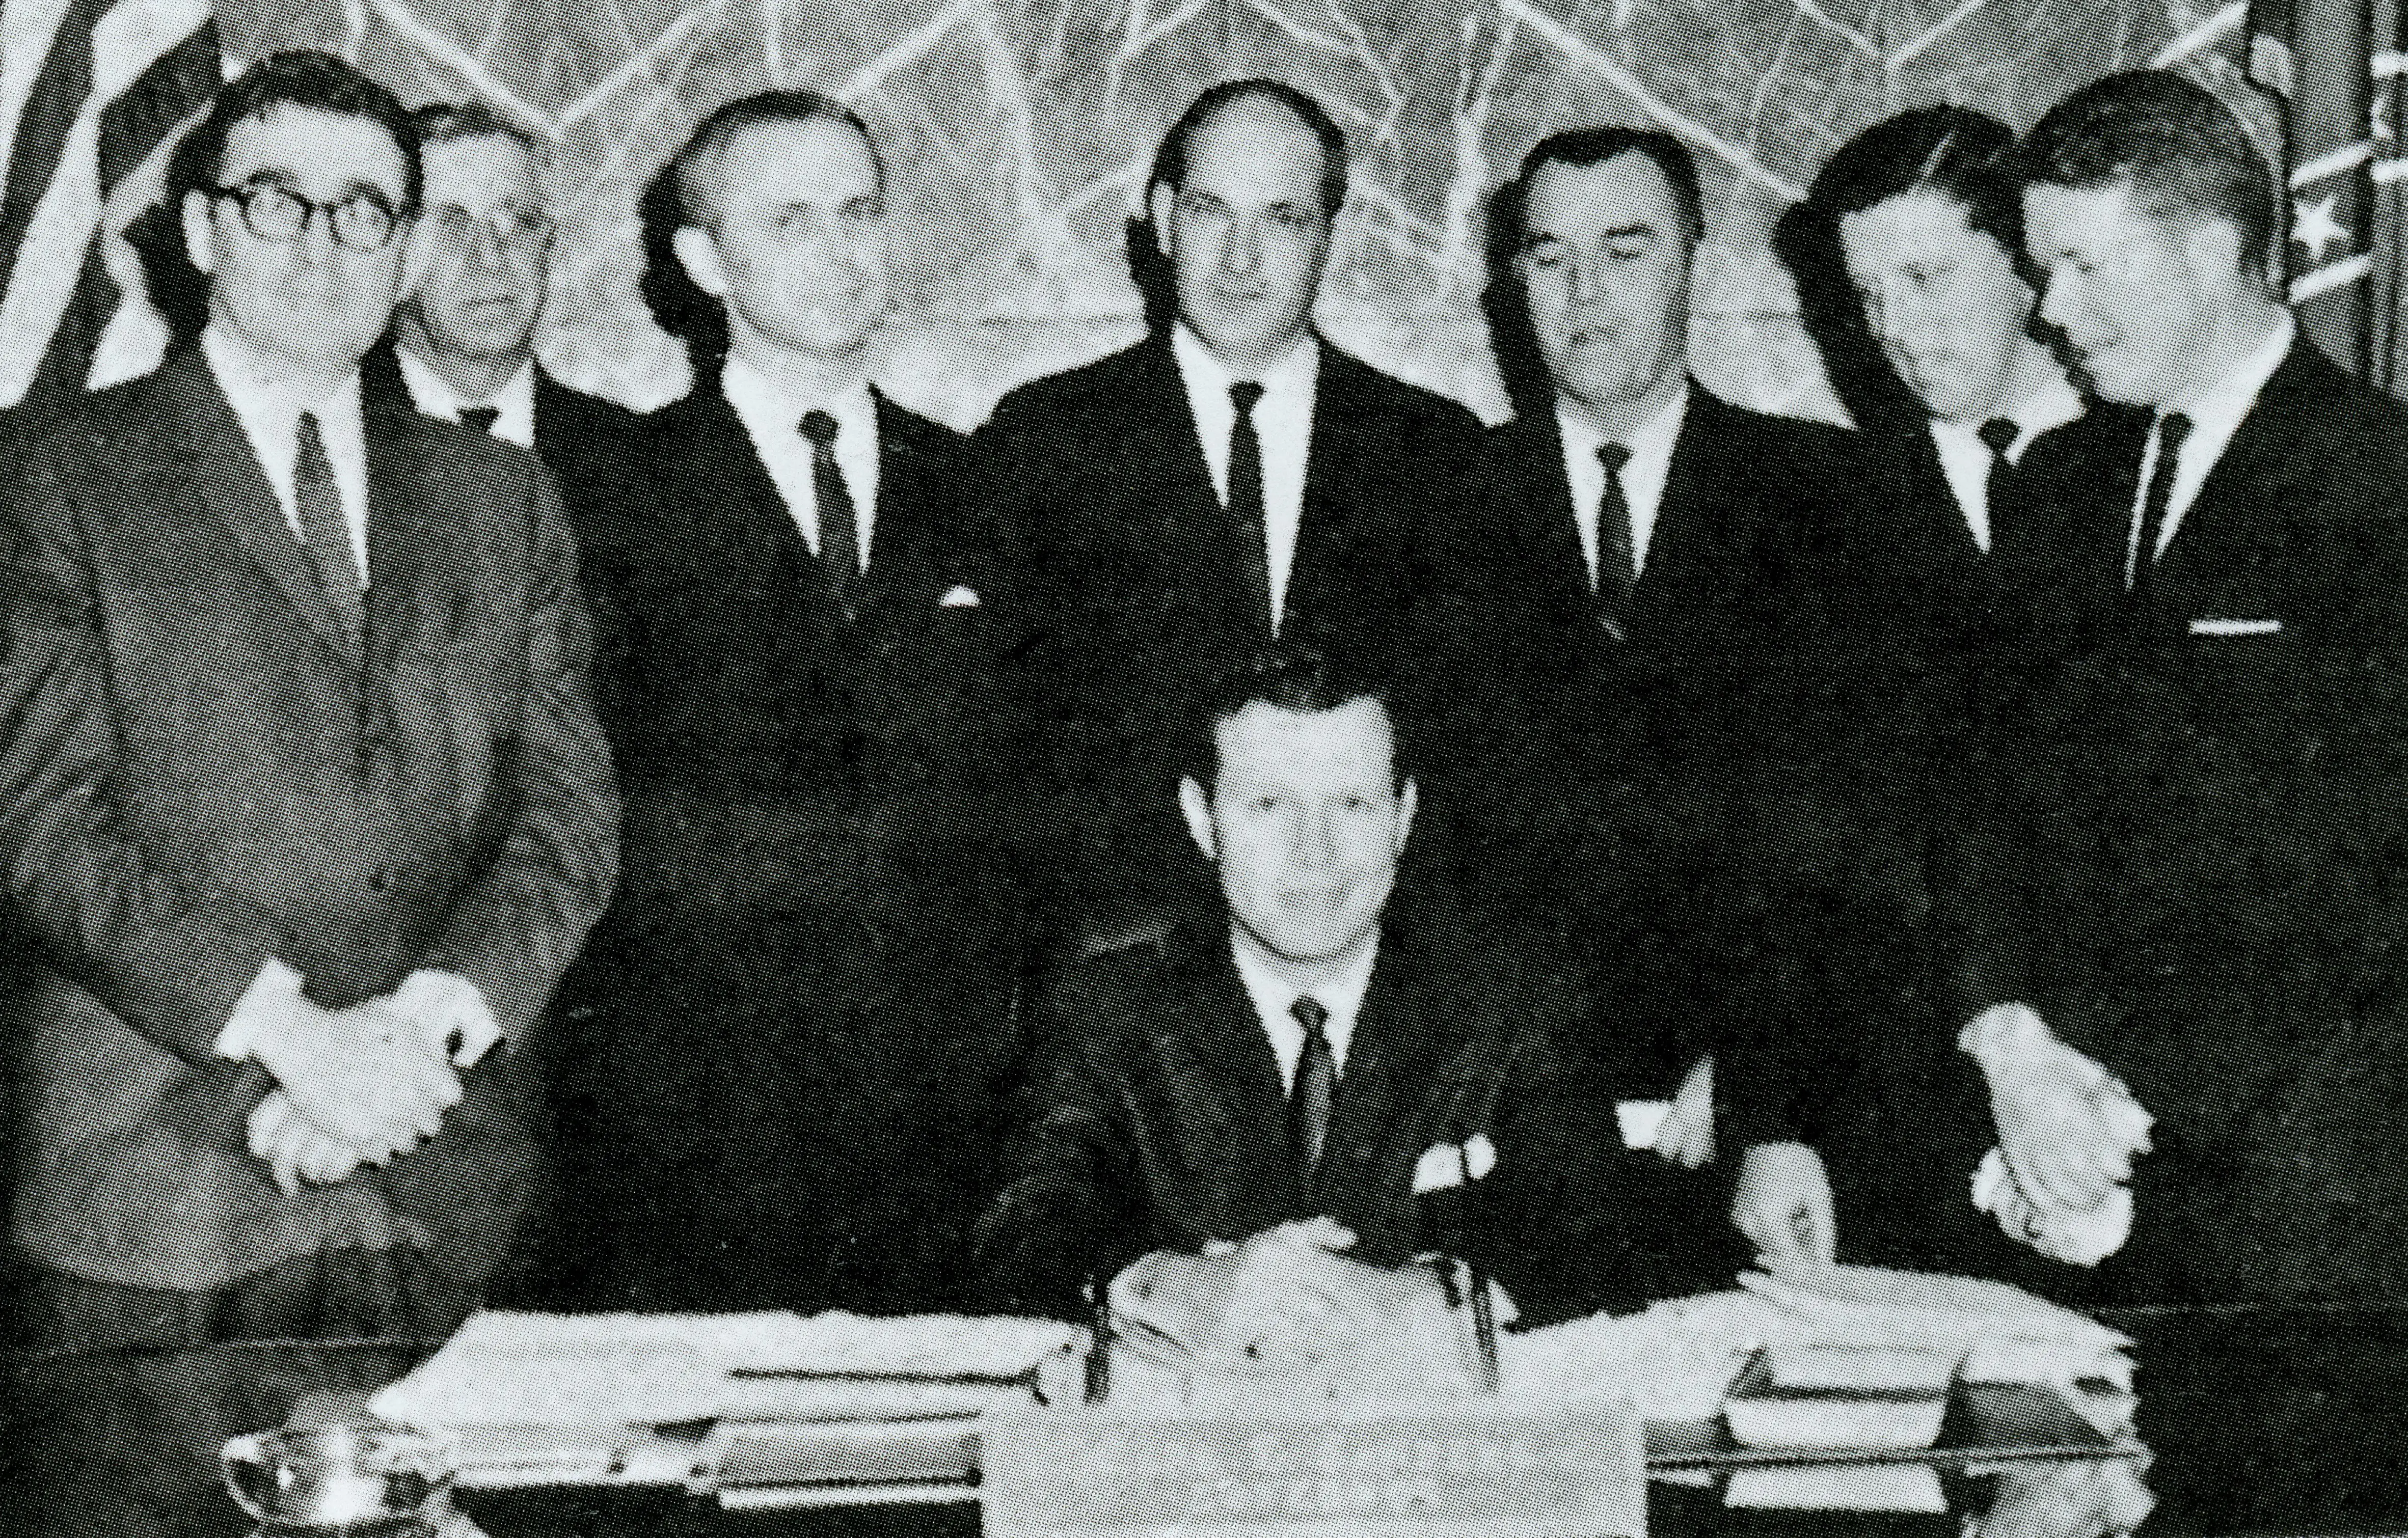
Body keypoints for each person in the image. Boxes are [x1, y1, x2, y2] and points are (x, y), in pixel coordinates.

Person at [0, 50, 618, 1354]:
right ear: (205, 229)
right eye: (277, 200)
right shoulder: (56, 476)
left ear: (404, 258)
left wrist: (410, 1035)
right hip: (152, 1188)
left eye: (366, 212)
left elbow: (568, 821)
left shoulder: (499, 499)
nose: (321, 244)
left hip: (447, 1176)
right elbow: (39, 816)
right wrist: (294, 1036)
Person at [562, 90, 1021, 1313]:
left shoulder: (986, 489)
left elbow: (1033, 820)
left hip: (951, 1138)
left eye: (860, 212)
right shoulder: (606, 499)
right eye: (791, 220)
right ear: (704, 260)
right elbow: (586, 821)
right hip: (696, 1139)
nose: (839, 250)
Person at [1961, 68, 2408, 1307]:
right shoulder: (2050, 487)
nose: (2051, 311)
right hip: (2042, 1180)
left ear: (2212, 249)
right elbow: (1987, 800)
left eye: (2082, 266)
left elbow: (2362, 883)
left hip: (2301, 1209)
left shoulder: (2379, 489)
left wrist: (2109, 1116)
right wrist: (2005, 1039)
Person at [973, 646, 1712, 1327]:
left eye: (1352, 805)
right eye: (1269, 806)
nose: (1314, 853)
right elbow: (1021, 1231)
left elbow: (1595, 1238)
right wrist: (1172, 1286)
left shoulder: (1509, 1001)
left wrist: (1426, 1295)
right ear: (1202, 822)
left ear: (1403, 817)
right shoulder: (1104, 1008)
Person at [1750, 108, 2147, 1276]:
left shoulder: (2158, 475)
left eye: (1926, 279)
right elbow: (1786, 856)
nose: (1895, 332)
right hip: (1898, 1130)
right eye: (1869, 297)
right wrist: (1772, 1121)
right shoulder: (1822, 518)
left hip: (2128, 1121)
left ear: (2029, 260)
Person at [1462, 126, 1863, 1264]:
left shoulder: (1824, 498)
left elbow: (1852, 841)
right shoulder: (1431, 503)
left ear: (1694, 261)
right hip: (1501, 1135)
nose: (1583, 292)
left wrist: (1764, 1078)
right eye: (1547, 256)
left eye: (1624, 251)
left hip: (1758, 1140)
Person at [979, 79, 1486, 927]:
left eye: (1282, 219)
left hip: (1377, 972)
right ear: (1163, 214)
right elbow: (1009, 748)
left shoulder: (1434, 449)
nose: (1241, 259)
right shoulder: (1046, 438)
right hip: (1121, 964)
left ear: (1330, 233)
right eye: (1213, 212)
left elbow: (1466, 751)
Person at [368, 101, 644, 489]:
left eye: (518, 223)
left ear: (548, 243)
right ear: (392, 247)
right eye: (451, 225)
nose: (490, 257)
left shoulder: (637, 463)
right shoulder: (334, 437)